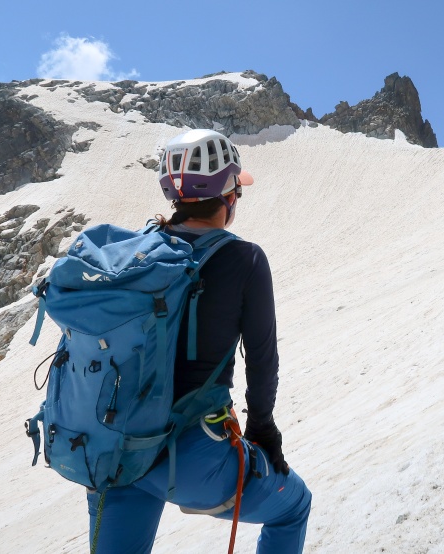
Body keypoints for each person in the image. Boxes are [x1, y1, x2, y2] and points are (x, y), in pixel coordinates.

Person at [86, 128, 312, 553]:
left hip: (115, 451)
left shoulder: (136, 251)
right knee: (294, 506)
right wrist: (262, 428)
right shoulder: (245, 259)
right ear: (227, 193)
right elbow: (262, 358)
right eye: (237, 192)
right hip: (193, 456)